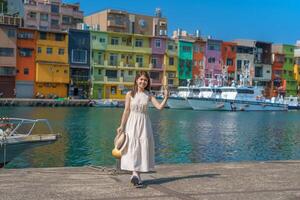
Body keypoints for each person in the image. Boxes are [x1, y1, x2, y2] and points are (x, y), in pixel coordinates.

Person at [117, 71, 169, 187]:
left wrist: (166, 97)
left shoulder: (149, 95)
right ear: (136, 80)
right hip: (132, 122)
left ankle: (136, 175)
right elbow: (126, 111)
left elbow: (159, 107)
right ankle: (135, 174)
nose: (143, 82)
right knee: (132, 147)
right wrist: (121, 126)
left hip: (144, 123)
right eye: (141, 79)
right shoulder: (130, 94)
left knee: (141, 148)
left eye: (145, 80)